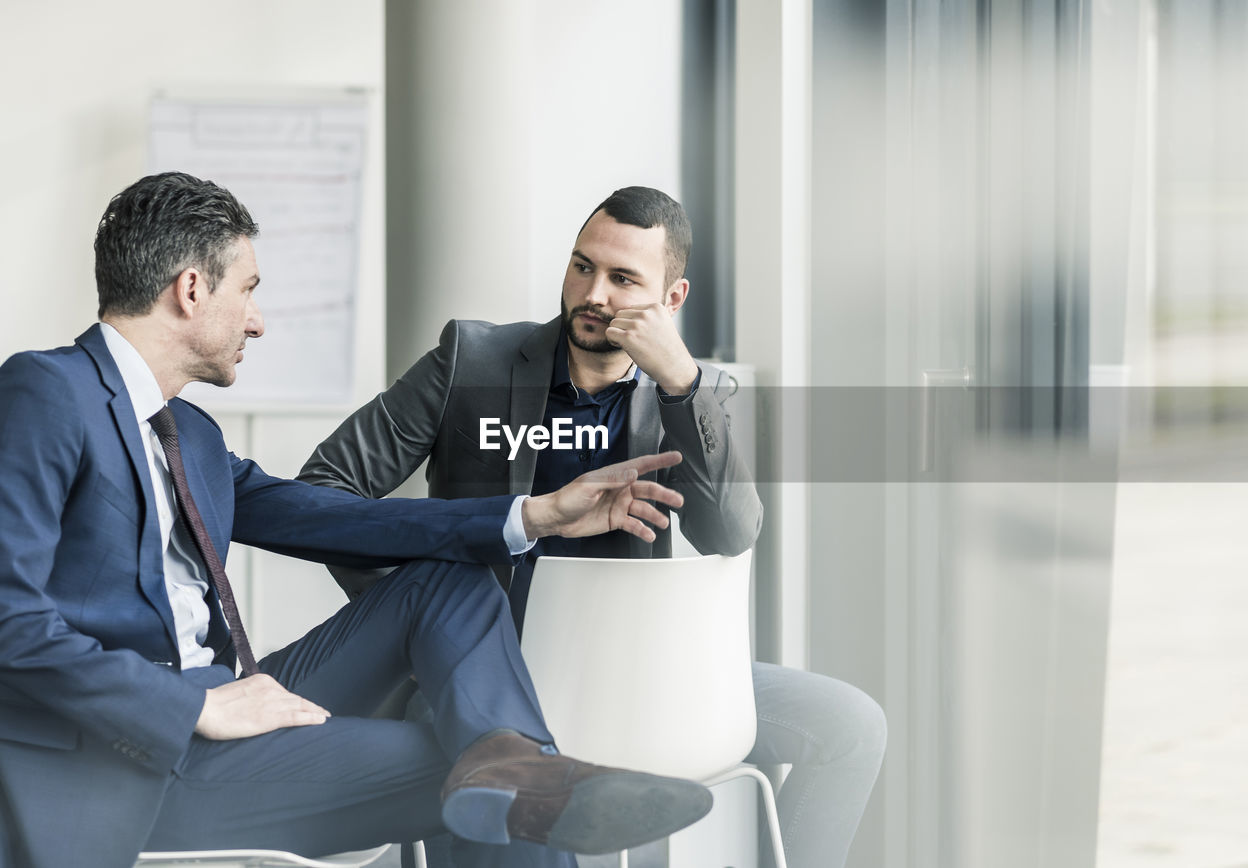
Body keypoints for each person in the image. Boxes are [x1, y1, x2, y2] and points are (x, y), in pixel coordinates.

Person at [0, 173, 716, 868]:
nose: (257, 319)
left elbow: (334, 517)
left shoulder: (190, 435)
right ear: (192, 290)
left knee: (455, 617)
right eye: (248, 290)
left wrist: (534, 516)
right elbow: (9, 622)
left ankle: (511, 761)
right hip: (137, 756)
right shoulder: (48, 391)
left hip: (225, 706)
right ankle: (516, 768)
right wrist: (189, 708)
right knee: (470, 766)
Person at [300, 186, 889, 867]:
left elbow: (731, 531)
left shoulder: (702, 393)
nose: (594, 293)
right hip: (486, 674)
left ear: (672, 299)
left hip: (640, 670)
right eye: (583, 266)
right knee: (523, 813)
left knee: (850, 727)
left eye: (623, 279)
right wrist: (420, 618)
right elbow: (324, 491)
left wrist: (681, 387)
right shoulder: (472, 363)